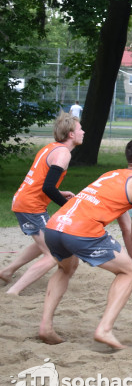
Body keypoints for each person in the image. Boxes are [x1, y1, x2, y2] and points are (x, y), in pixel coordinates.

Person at [38, 136, 132, 349]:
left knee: (66, 268)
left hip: (55, 226)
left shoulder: (110, 175)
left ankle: (46, 326)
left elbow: (126, 229)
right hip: (80, 231)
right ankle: (105, 330)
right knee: (127, 272)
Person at [0, 113, 81, 295]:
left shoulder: (51, 148)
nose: (83, 132)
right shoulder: (63, 153)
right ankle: (14, 291)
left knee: (44, 241)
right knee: (52, 254)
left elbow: (41, 183)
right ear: (71, 134)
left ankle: (7, 271)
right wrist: (67, 206)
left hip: (25, 200)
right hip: (30, 205)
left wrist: (60, 193)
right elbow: (48, 188)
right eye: (80, 129)